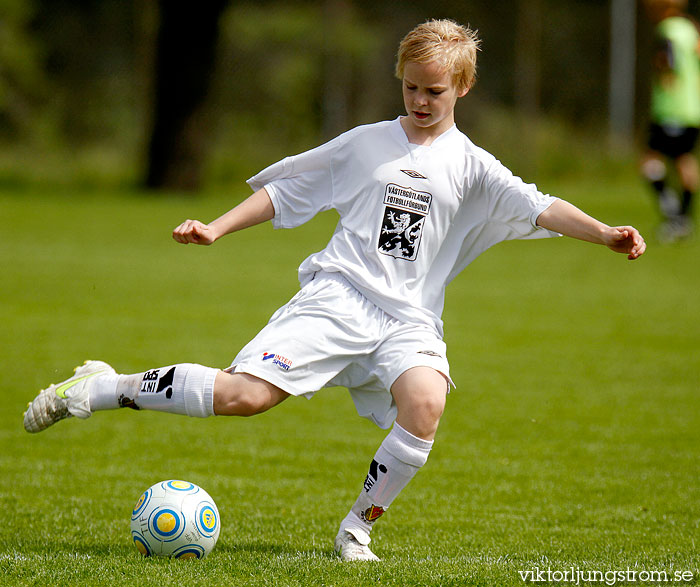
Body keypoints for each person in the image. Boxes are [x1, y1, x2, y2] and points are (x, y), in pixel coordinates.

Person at [23, 19, 646, 561]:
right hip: (338, 296)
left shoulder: (474, 165)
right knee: (245, 397)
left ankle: (355, 530)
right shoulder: (366, 144)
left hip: (409, 320)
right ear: (398, 79)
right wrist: (217, 226)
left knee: (425, 405)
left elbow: (539, 206)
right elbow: (289, 190)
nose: (421, 100)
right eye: (410, 87)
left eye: (434, 90)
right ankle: (101, 387)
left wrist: (603, 232)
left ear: (463, 87)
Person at [641, 0, 700, 241]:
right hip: (692, 107)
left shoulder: (667, 30)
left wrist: (663, 72)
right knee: (684, 161)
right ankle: (682, 219)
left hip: (671, 109)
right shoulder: (690, 28)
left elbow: (668, 60)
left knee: (649, 162)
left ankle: (676, 218)